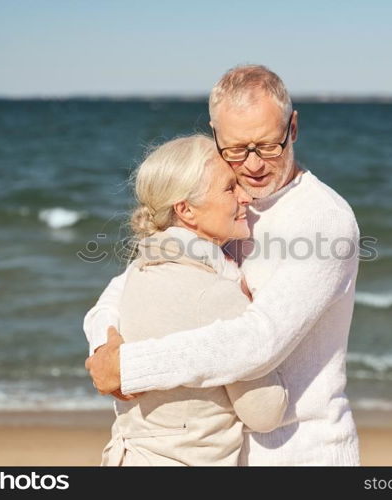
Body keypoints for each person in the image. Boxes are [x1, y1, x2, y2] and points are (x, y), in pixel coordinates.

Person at [85, 65, 361, 465]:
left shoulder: (323, 220)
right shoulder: (220, 208)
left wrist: (130, 367)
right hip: (226, 455)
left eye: (269, 145)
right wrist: (102, 345)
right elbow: (126, 285)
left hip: (302, 451)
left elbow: (257, 341)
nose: (253, 165)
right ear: (215, 134)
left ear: (293, 128)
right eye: (235, 149)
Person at [100, 135, 287, 466]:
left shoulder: (137, 274)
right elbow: (264, 412)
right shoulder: (215, 294)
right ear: (185, 209)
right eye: (230, 188)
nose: (246, 197)